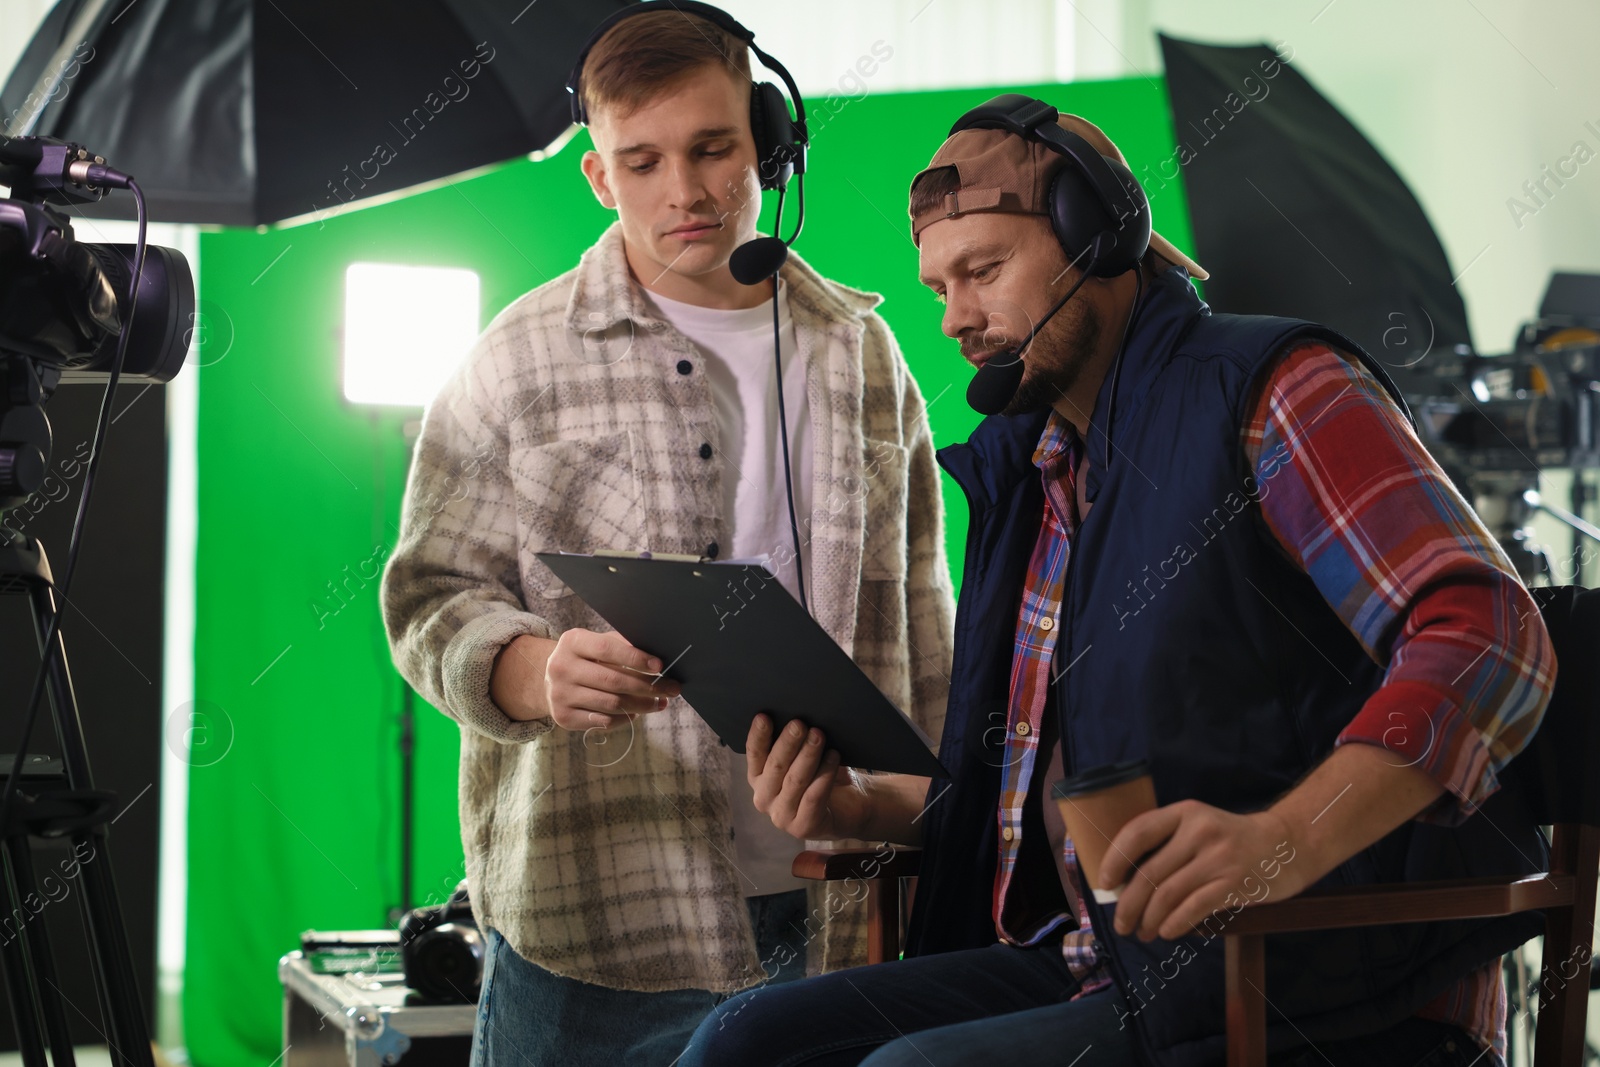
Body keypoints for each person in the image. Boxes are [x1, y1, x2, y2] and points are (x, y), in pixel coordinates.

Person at [677, 96, 1556, 1067]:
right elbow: (1058, 791)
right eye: (938, 286)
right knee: (745, 1038)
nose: (957, 315)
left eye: (984, 270)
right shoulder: (1038, 472)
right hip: (1103, 959)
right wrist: (867, 809)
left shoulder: (1275, 390)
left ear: (1096, 242)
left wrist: (1286, 837)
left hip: (1318, 979)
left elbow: (1488, 629)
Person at [378, 5, 953, 1064]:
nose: (683, 191)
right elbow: (428, 598)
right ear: (600, 176)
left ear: (768, 142)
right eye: (640, 161)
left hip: (832, 913)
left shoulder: (864, 357)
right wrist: (532, 668)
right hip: (589, 927)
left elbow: (925, 628)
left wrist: (933, 833)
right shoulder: (512, 359)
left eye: (712, 148)